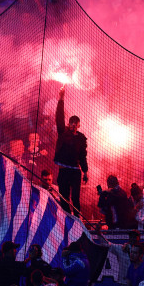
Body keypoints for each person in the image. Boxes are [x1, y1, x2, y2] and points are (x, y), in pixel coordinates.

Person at [54, 86, 88, 216]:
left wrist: (85, 171)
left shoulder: (81, 138)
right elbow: (59, 117)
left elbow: (83, 155)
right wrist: (61, 99)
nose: (74, 124)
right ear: (69, 124)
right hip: (63, 170)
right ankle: (68, 219)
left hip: (75, 171)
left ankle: (77, 219)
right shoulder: (63, 133)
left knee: (75, 197)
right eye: (71, 122)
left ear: (78, 125)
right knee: (64, 198)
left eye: (76, 122)